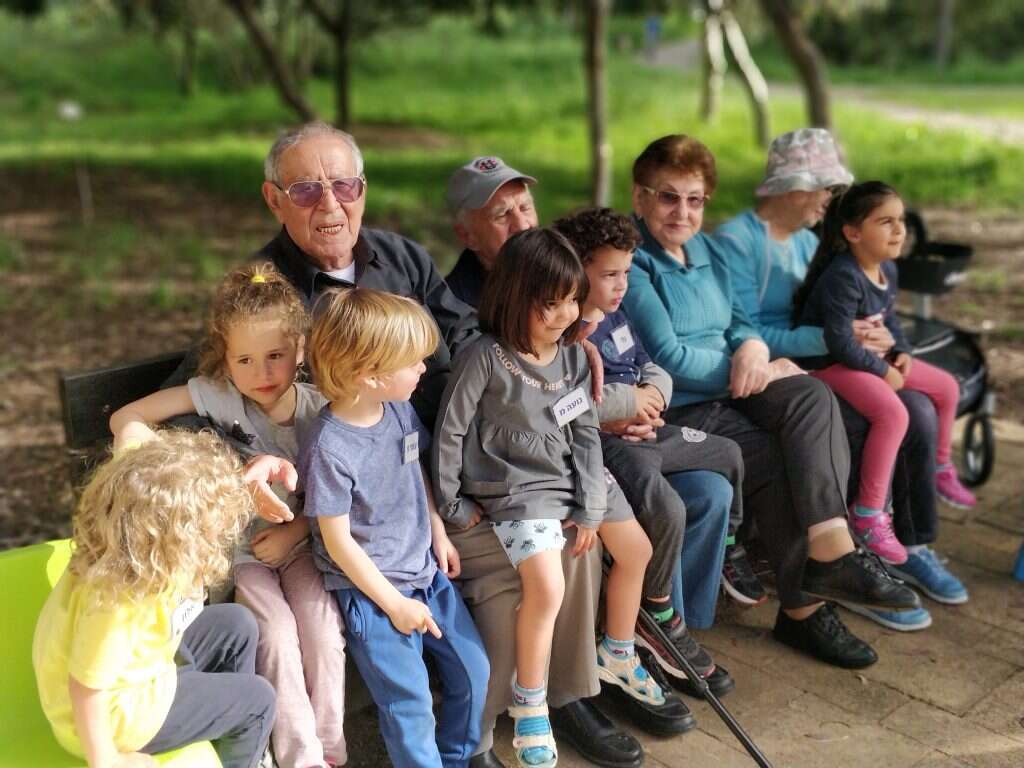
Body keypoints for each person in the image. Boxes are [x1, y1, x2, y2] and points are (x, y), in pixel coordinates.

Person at [252, 125, 642, 768]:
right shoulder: (267, 290)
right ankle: (492, 721)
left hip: (469, 457)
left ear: (363, 190)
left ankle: (557, 697)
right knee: (531, 556)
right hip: (399, 491)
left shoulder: (399, 257)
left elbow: (466, 342)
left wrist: (548, 356)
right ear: (274, 199)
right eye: (305, 189)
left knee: (580, 527)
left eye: (344, 184)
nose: (330, 203)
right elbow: (218, 387)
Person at [621, 133, 920, 670]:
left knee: (809, 392)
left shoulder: (705, 249)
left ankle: (832, 551)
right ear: (641, 197)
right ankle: (804, 609)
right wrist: (752, 372)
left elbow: (740, 321)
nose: (682, 211)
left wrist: (756, 351)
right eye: (668, 197)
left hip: (735, 386)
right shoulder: (636, 264)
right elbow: (668, 355)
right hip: (683, 405)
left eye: (695, 199)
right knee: (776, 454)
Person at [435, 228, 682, 768]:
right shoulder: (486, 357)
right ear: (514, 299)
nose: (565, 314)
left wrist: (591, 506)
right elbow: (450, 432)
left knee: (629, 549)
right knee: (545, 586)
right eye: (549, 304)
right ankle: (531, 705)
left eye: (571, 300)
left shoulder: (572, 360)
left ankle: (614, 654)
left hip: (565, 482)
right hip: (516, 490)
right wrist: (451, 503)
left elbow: (586, 434)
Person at [716, 128, 967, 626]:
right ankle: (851, 554)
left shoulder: (807, 243)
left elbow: (849, 306)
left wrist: (881, 342)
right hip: (778, 373)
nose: (831, 201)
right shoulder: (737, 242)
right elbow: (743, 332)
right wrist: (838, 338)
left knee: (917, 408)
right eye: (826, 190)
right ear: (794, 188)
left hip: (825, 361)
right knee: (878, 418)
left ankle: (907, 546)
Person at [110, 264, 347, 768]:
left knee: (323, 629)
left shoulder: (321, 407)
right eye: (245, 359)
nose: (262, 373)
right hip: (243, 556)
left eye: (276, 357)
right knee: (277, 634)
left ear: (300, 352)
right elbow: (125, 416)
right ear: (225, 360)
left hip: (305, 546)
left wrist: (296, 531)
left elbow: (346, 491)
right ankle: (301, 757)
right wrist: (144, 457)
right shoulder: (218, 395)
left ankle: (330, 751)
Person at [554, 207, 741, 696]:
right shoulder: (565, 328)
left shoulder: (617, 315)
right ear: (576, 270)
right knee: (667, 506)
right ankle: (657, 612)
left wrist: (652, 397)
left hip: (649, 428)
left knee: (725, 456)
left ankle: (731, 552)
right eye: (609, 274)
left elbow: (650, 364)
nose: (621, 285)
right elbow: (568, 403)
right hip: (613, 446)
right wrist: (628, 403)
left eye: (627, 272)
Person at [299, 288, 489, 768]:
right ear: (370, 374)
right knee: (410, 706)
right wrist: (394, 604)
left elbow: (415, 471)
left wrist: (439, 532)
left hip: (425, 573)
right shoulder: (330, 449)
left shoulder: (398, 409)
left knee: (473, 672)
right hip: (375, 594)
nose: (424, 369)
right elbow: (338, 542)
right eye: (413, 362)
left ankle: (455, 758)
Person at [32, 430, 276, 768]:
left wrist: (242, 477)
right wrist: (108, 760)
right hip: (116, 717)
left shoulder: (130, 510)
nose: (216, 537)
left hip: (143, 671)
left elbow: (130, 430)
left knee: (237, 624)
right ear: (177, 538)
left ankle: (228, 730)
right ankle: (245, 742)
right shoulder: (121, 602)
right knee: (258, 700)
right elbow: (86, 688)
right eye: (209, 531)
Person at [793, 181, 972, 598]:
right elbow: (836, 342)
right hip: (828, 367)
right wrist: (881, 370)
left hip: (868, 360)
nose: (899, 231)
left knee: (946, 386)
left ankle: (942, 467)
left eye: (902, 221)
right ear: (853, 232)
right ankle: (870, 514)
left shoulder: (887, 270)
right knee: (894, 412)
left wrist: (903, 352)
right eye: (886, 222)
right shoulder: (842, 277)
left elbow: (889, 320)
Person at [446, 156, 539, 308]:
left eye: (525, 208)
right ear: (467, 236)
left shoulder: (571, 271)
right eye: (502, 214)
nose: (522, 225)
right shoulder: (454, 312)